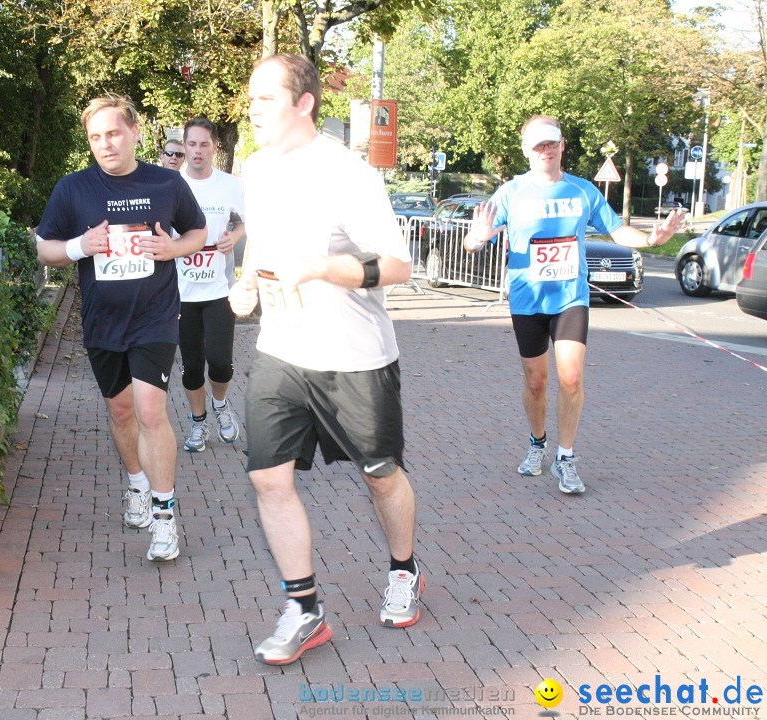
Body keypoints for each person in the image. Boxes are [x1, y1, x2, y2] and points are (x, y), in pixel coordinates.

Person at [228, 54, 419, 666]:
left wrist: (316, 268)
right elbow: (261, 239)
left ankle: (403, 570)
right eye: (250, 98)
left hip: (354, 357)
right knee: (267, 477)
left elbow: (396, 266)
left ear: (303, 103)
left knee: (379, 473)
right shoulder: (254, 169)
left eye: (264, 99)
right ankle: (304, 609)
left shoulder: (348, 174)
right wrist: (248, 284)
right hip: (282, 351)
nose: (251, 109)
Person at [464, 114, 684, 494]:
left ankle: (565, 457)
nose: (545, 151)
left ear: (562, 145)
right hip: (527, 299)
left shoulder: (583, 191)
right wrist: (479, 237)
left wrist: (653, 238)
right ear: (526, 152)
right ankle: (537, 444)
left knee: (570, 377)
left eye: (551, 144)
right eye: (538, 146)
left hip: (571, 298)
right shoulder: (511, 193)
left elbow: (618, 230)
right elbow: (472, 242)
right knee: (536, 382)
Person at [36, 93, 207, 561]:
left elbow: (197, 232)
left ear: (134, 132)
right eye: (95, 137)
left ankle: (165, 514)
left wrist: (171, 250)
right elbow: (45, 249)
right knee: (121, 414)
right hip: (102, 322)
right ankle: (136, 482)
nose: (105, 144)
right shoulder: (73, 189)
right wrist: (79, 246)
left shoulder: (166, 184)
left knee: (151, 412)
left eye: (113, 133)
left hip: (154, 317)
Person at [176, 117, 246, 452]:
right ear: (184, 146)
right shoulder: (171, 185)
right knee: (191, 366)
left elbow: (244, 222)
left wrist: (233, 237)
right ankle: (198, 423)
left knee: (220, 362)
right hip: (181, 294)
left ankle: (220, 405)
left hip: (219, 290)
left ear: (215, 147)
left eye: (205, 144)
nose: (198, 150)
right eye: (192, 144)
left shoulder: (231, 185)